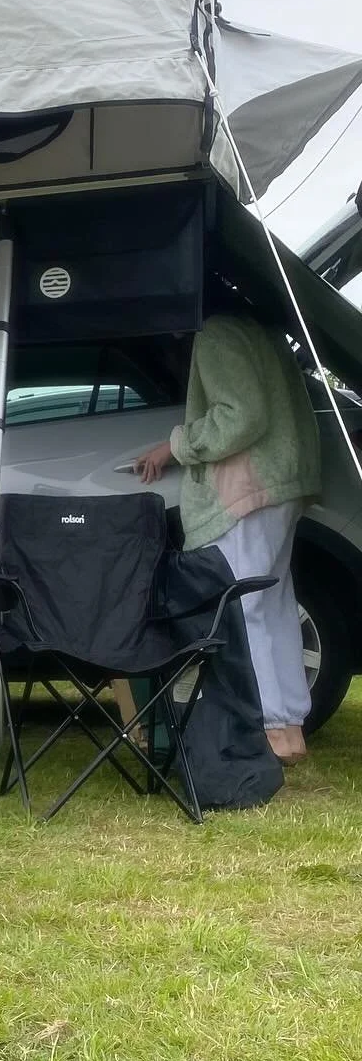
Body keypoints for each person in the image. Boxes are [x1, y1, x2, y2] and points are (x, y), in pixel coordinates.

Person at [136, 312, 321, 765]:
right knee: (273, 605)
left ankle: (268, 730)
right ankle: (289, 728)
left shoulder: (217, 331)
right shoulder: (264, 329)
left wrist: (174, 445)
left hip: (246, 488)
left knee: (242, 610)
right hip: (280, 483)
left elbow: (240, 416)